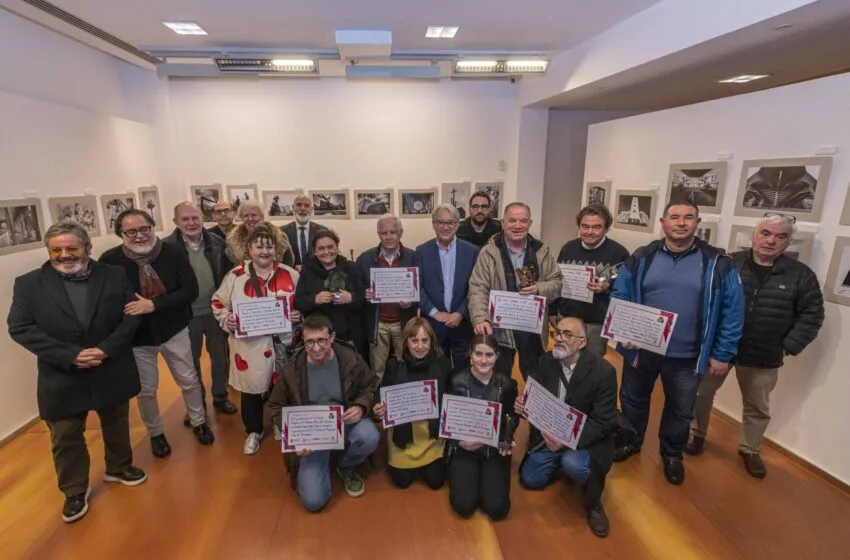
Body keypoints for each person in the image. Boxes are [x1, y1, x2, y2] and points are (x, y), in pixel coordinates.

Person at [8, 222, 147, 523]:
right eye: (56, 249)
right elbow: (19, 328)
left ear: (87, 247)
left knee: (116, 421)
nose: (64, 255)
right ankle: (74, 490)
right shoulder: (28, 284)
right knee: (66, 435)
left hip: (109, 365)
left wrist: (106, 349)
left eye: (72, 248)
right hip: (62, 374)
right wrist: (70, 356)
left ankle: (119, 467)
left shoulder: (114, 275)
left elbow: (131, 316)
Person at [611, 201, 743, 485]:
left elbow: (733, 313)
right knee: (633, 401)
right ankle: (631, 443)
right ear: (663, 222)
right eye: (674, 217)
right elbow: (620, 293)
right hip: (641, 350)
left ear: (697, 223)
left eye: (688, 217)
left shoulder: (718, 263)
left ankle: (671, 455)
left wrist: (722, 353)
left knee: (680, 409)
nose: (681, 223)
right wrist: (624, 330)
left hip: (687, 356)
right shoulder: (642, 256)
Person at [687, 213, 824, 478]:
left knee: (757, 406)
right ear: (754, 235)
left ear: (788, 242)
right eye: (766, 233)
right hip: (720, 350)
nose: (771, 241)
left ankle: (750, 449)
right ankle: (696, 434)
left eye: (780, 236)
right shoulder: (728, 264)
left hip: (764, 354)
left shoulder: (800, 275)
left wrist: (787, 345)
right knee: (701, 394)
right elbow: (705, 301)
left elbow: (813, 314)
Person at [100, 209, 215, 458]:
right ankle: (156, 434)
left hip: (174, 329)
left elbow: (190, 290)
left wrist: (154, 305)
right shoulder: (109, 260)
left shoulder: (172, 253)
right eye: (131, 231)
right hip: (137, 337)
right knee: (146, 390)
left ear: (153, 227)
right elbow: (105, 300)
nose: (139, 235)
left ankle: (199, 422)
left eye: (144, 229)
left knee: (189, 380)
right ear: (121, 234)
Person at [517, 317, 618, 538]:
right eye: (557, 333)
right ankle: (562, 464)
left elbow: (603, 423)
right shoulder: (545, 362)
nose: (559, 339)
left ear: (582, 342)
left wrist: (567, 440)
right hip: (549, 434)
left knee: (573, 463)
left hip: (585, 439)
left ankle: (593, 501)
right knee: (530, 479)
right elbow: (534, 401)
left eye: (567, 335)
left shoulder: (604, 372)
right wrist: (524, 406)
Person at [269, 314, 380, 511]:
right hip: (312, 433)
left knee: (369, 435)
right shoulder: (291, 370)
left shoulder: (350, 359)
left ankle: (345, 465)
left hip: (344, 420)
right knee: (313, 502)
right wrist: (294, 439)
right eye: (310, 342)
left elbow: (369, 387)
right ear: (303, 340)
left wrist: (361, 406)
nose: (316, 348)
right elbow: (276, 405)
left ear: (332, 337)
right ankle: (326, 462)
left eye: (321, 340)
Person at [212, 224, 301, 455]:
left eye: (269, 247)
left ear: (276, 249)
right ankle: (253, 430)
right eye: (259, 246)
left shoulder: (290, 274)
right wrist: (227, 319)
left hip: (283, 343)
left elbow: (304, 304)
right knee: (251, 390)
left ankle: (281, 424)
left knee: (282, 387)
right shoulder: (235, 276)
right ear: (248, 248)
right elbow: (218, 302)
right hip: (249, 346)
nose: (264, 252)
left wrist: (299, 315)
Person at [468, 202, 562, 378]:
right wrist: (480, 317)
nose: (518, 226)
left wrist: (539, 288)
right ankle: (505, 406)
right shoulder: (488, 252)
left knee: (536, 377)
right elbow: (478, 287)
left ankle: (531, 406)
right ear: (502, 223)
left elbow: (557, 283)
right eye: (512, 220)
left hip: (532, 327)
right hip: (499, 328)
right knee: (499, 378)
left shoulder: (542, 251)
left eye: (523, 221)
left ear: (530, 223)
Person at [165, 202, 238, 420]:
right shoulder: (167, 248)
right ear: (176, 222)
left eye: (195, 218)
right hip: (186, 315)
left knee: (220, 358)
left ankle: (220, 396)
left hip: (215, 312)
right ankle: (196, 404)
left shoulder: (218, 243)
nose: (191, 223)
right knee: (190, 361)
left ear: (203, 218)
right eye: (185, 219)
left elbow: (227, 278)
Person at [447, 334, 519, 520]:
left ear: (497, 356)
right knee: (464, 507)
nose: (483, 360)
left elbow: (512, 418)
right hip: (464, 448)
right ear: (470, 354)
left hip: (493, 451)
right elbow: (446, 419)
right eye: (478, 354)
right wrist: (458, 441)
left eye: (489, 355)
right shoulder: (455, 381)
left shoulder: (508, 385)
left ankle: (486, 481)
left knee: (497, 509)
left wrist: (506, 439)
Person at [373, 318, 451, 489]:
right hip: (404, 435)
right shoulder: (394, 365)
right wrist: (379, 406)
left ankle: (432, 460)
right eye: (414, 340)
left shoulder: (442, 363)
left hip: (431, 435)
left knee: (436, 482)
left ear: (432, 341)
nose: (420, 346)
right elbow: (382, 391)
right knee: (401, 482)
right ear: (406, 341)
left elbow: (451, 397)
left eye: (425, 340)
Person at [554, 205, 630, 357]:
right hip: (567, 317)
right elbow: (557, 279)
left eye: (596, 227)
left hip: (595, 323)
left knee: (591, 366)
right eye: (585, 226)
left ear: (606, 229)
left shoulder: (618, 253)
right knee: (563, 359)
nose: (589, 232)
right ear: (579, 227)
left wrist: (608, 285)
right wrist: (553, 310)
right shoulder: (568, 248)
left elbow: (624, 284)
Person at [416, 204, 479, 369]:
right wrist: (435, 313)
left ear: (458, 224)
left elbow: (477, 288)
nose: (445, 227)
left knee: (463, 369)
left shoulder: (472, 251)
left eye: (450, 223)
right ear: (433, 224)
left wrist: (460, 312)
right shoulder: (421, 251)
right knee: (436, 369)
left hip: (463, 323)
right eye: (440, 222)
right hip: (433, 325)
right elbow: (417, 287)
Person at [356, 214, 417, 380]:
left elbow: (421, 288)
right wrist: (364, 293)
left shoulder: (413, 257)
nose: (389, 237)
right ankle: (377, 403)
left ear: (401, 233)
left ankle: (404, 401)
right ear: (378, 234)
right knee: (377, 370)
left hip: (403, 322)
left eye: (393, 232)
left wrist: (412, 301)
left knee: (406, 365)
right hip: (378, 323)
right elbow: (356, 287)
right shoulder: (365, 258)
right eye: (384, 233)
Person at [294, 229, 367, 357]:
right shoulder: (307, 271)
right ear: (315, 252)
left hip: (349, 336)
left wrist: (351, 297)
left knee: (349, 373)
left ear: (337, 248)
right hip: (318, 340)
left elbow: (365, 296)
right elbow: (298, 302)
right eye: (321, 248)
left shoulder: (351, 268)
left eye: (330, 247)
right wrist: (315, 299)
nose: (326, 252)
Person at [225, 201, 294, 266]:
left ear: (262, 216)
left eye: (254, 215)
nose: (250, 219)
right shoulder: (233, 240)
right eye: (246, 216)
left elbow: (289, 263)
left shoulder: (279, 237)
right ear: (242, 218)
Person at [283, 194, 327, 270]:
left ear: (311, 210)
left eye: (306, 205)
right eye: (299, 205)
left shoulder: (323, 231)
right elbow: (278, 259)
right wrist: (293, 268)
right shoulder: (282, 232)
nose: (302, 208)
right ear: (293, 208)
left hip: (316, 277)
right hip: (290, 277)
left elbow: (327, 256)